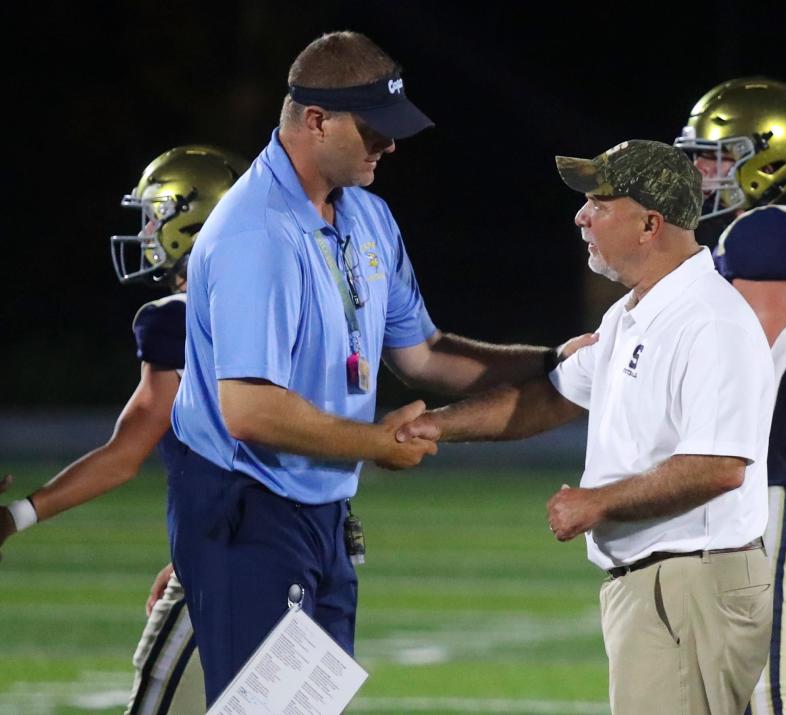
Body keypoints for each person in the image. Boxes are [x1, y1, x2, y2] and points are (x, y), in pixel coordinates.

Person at [167, 30, 594, 706]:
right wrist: (377, 443)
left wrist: (550, 360)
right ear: (315, 121)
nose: (388, 145)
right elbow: (248, 411)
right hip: (248, 506)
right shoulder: (256, 231)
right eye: (373, 130)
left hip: (320, 507)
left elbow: (422, 355)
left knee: (309, 705)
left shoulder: (367, 214)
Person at [396, 139, 777, 714]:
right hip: (665, 581)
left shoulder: (709, 319)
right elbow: (547, 400)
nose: (581, 216)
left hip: (692, 580)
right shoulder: (635, 312)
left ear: (650, 224)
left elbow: (719, 467)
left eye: (600, 202)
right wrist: (434, 427)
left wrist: (598, 502)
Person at [0, 144, 248, 714]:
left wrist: (16, 515)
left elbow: (126, 451)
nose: (145, 233)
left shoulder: (177, 320)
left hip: (231, 572)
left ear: (195, 221)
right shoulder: (297, 308)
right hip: (315, 567)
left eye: (155, 216)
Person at [674, 77, 786, 715]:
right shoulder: (744, 236)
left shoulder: (773, 228)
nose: (698, 172)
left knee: (760, 703)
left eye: (714, 156)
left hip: (763, 489)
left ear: (769, 161)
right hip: (743, 489)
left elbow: (738, 360)